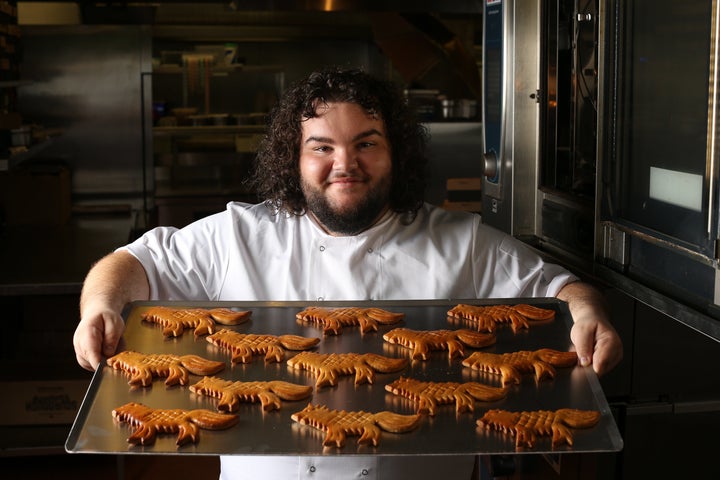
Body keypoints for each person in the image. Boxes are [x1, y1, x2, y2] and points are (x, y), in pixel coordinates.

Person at [73, 66, 622, 480]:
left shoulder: (460, 241)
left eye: (366, 144)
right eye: (322, 147)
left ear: (395, 152)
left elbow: (556, 290)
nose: (345, 164)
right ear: (294, 157)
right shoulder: (237, 235)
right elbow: (131, 264)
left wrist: (589, 313)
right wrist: (98, 307)